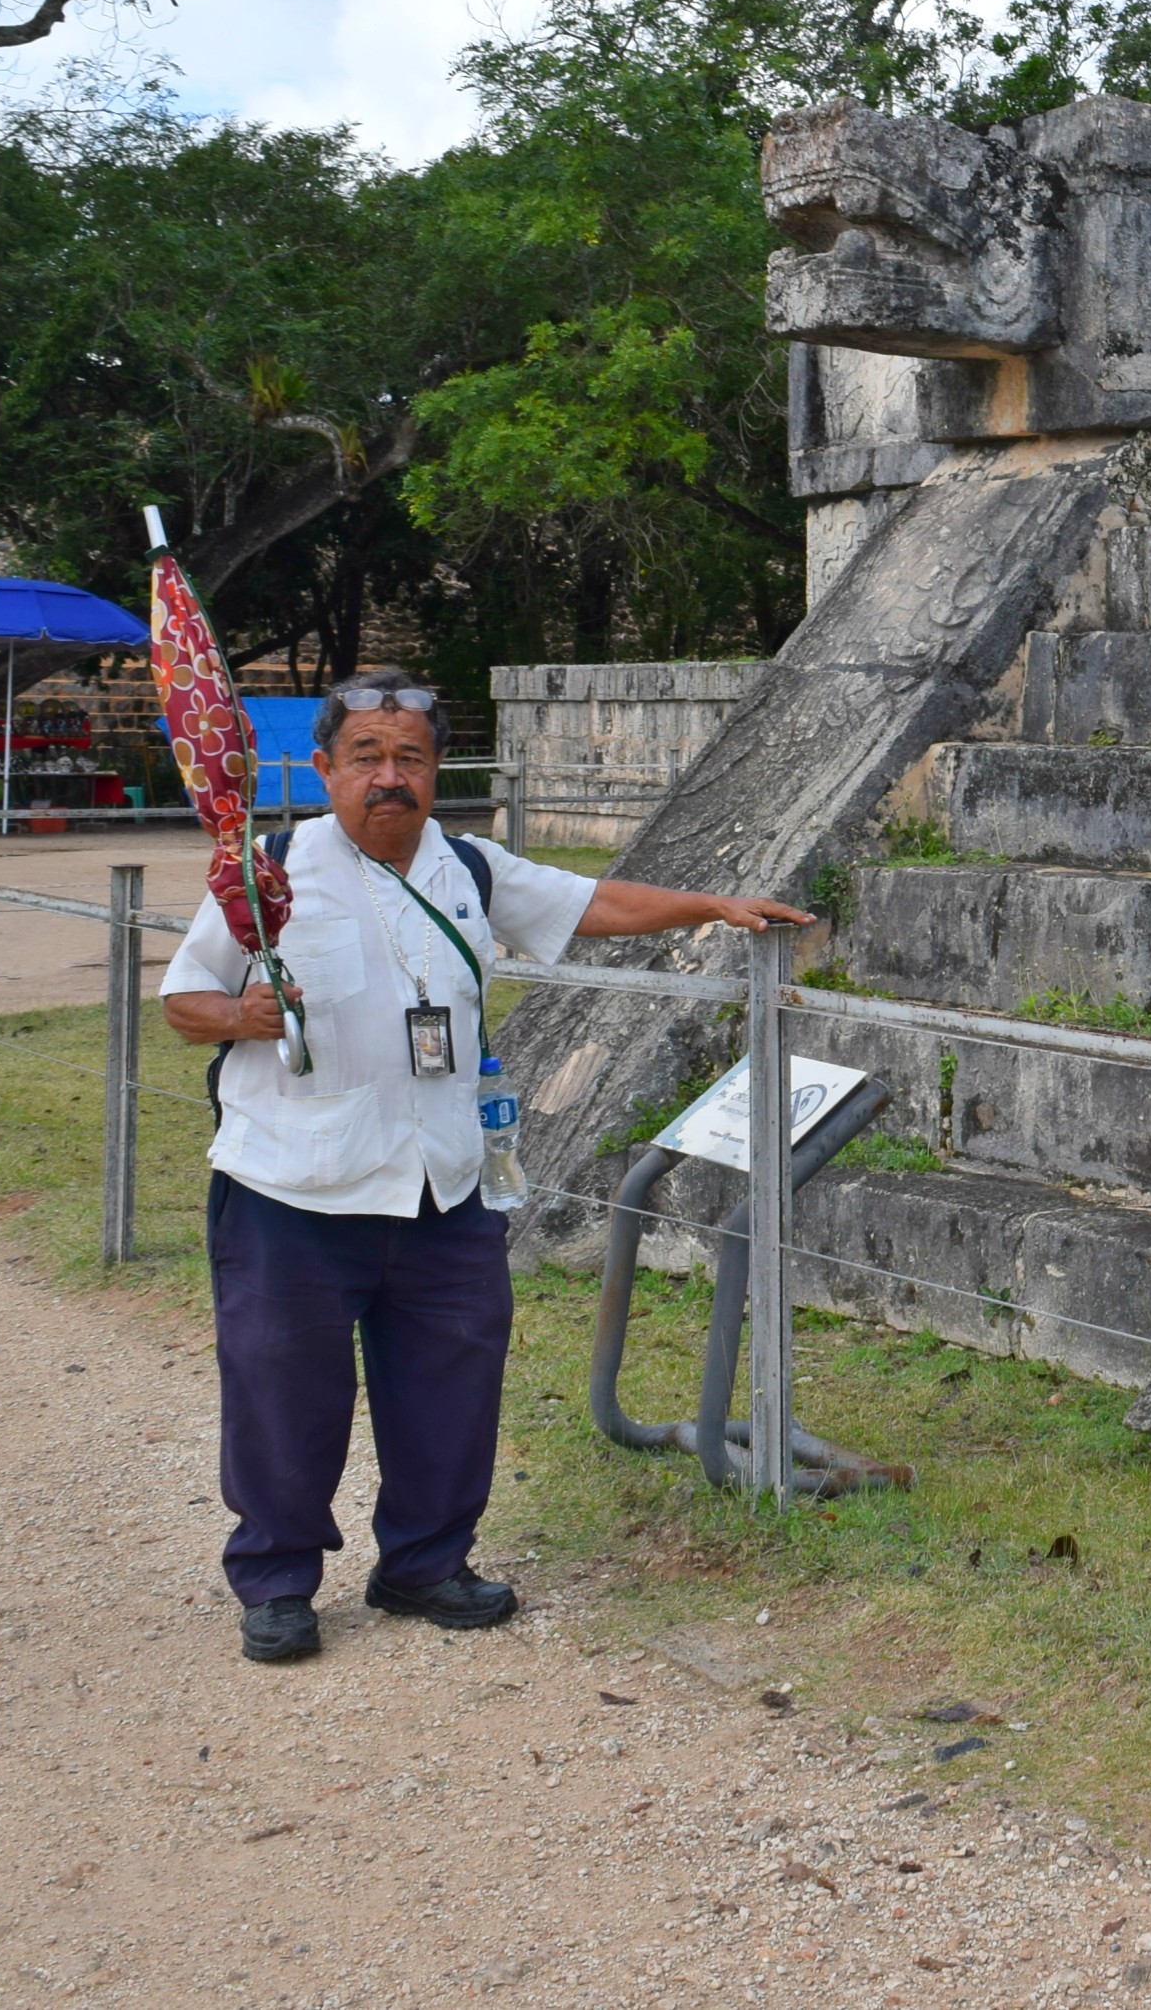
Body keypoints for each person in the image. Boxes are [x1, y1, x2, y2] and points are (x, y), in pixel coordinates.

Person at [159, 666, 807, 1666]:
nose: (389, 776)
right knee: (283, 1392)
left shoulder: (469, 867)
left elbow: (595, 901)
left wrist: (712, 905)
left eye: (409, 757)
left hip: (441, 1183)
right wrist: (242, 1013)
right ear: (325, 767)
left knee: (453, 1382)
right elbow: (183, 998)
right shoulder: (265, 871)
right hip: (294, 1187)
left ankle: (423, 1561)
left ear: (434, 771)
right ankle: (280, 1578)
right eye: (366, 756)